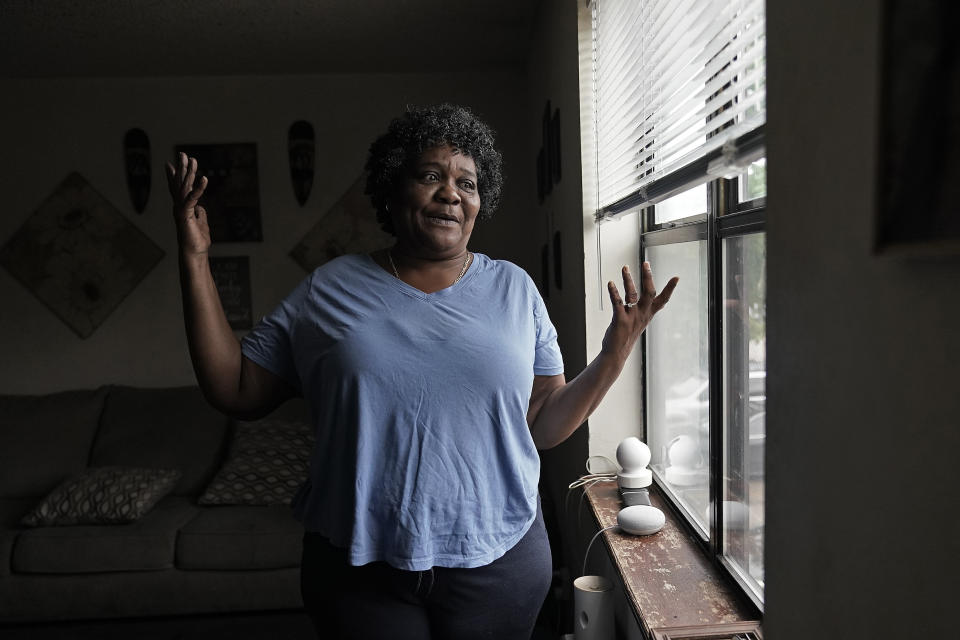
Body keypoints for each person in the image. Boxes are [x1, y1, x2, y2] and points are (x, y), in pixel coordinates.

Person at [165, 103, 678, 640]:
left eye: (467, 182)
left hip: (499, 560)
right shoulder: (328, 290)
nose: (451, 193)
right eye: (430, 175)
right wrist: (195, 259)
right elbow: (235, 388)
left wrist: (616, 352)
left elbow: (543, 423)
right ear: (392, 189)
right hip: (360, 567)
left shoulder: (514, 289)